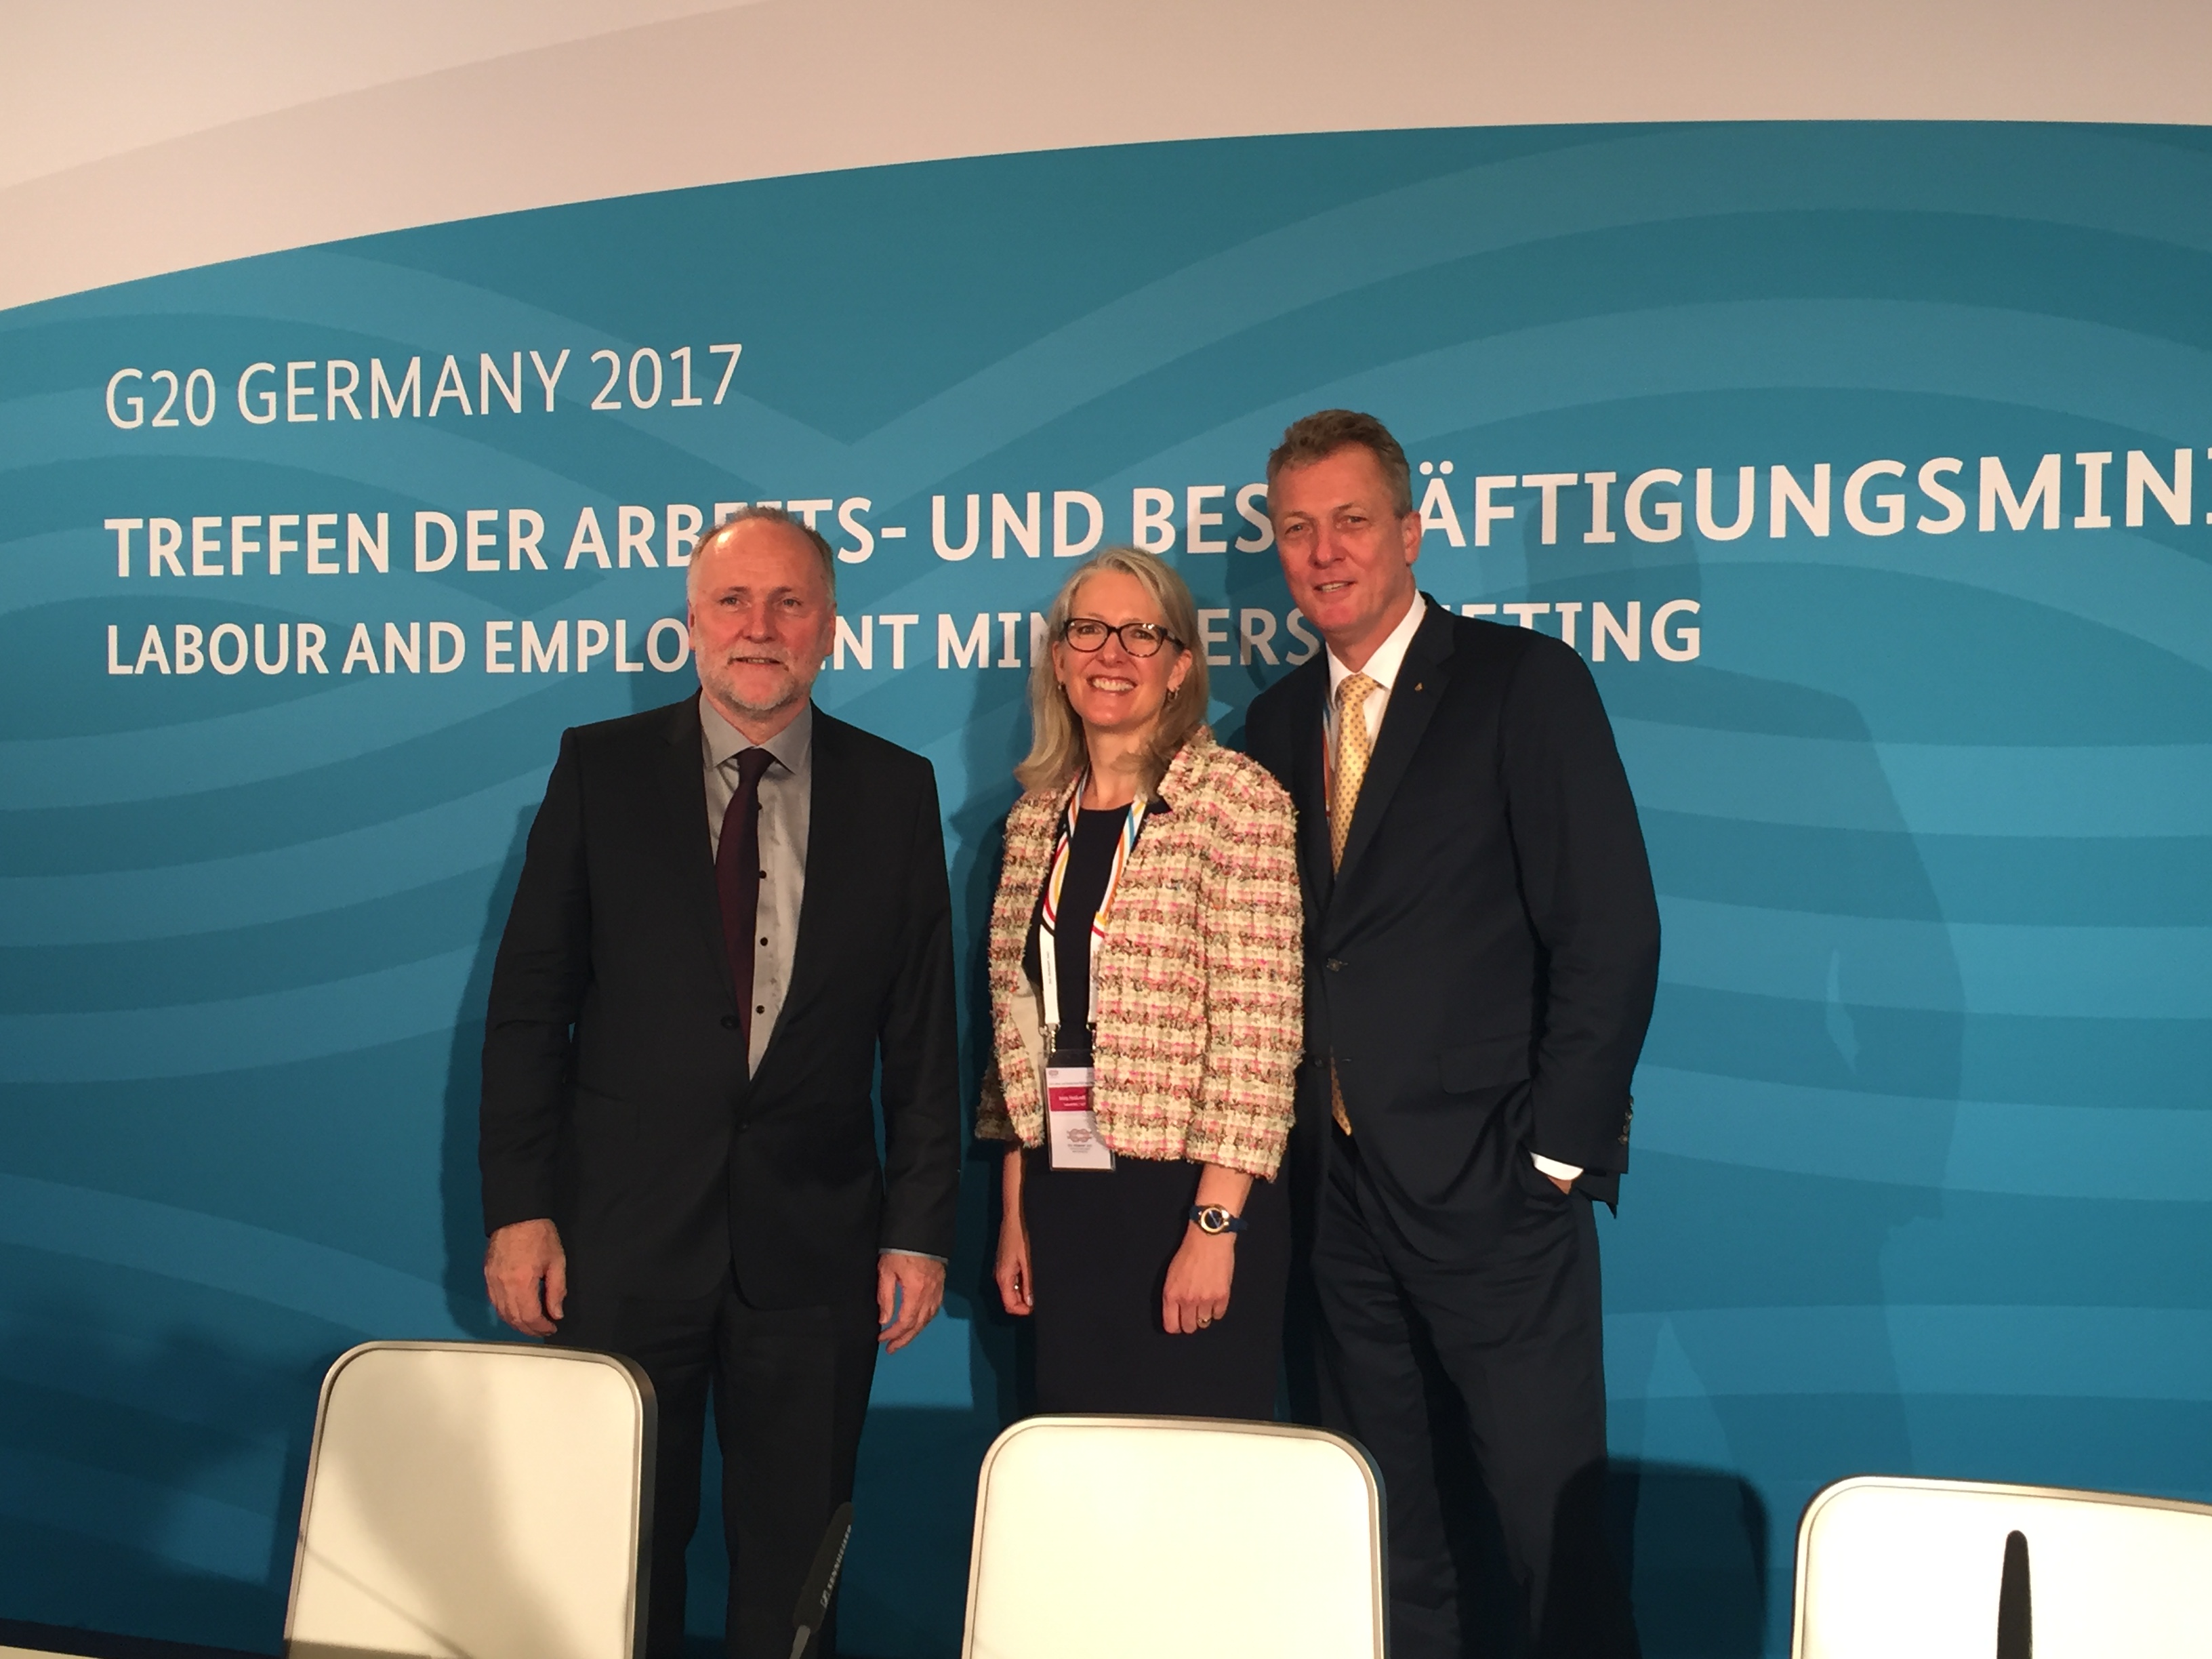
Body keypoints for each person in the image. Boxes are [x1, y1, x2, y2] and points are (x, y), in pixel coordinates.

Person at [478, 506, 960, 1659]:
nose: (761, 627)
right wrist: (519, 1211)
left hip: (814, 1245)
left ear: (829, 627)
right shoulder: (599, 770)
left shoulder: (895, 789)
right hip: (624, 1237)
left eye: (790, 603)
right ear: (692, 623)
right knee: (614, 1550)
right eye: (734, 602)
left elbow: (922, 1031)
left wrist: (919, 1228)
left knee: (794, 1570)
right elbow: (532, 1008)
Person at [1244, 411, 1660, 1658]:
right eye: (1298, 529)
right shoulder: (1275, 721)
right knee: (1386, 1535)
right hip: (1338, 1200)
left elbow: (1610, 930)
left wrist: (1554, 1156)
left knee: (1546, 1535)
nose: (1325, 553)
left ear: (1412, 531)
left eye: (1351, 521)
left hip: (1496, 1188)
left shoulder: (1520, 682)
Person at [977, 546, 1303, 1419]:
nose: (1110, 654)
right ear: (1059, 658)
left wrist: (1214, 1227)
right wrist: (1016, 1208)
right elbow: (1017, 1026)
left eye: (1141, 634)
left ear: (1179, 666)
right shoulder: (1034, 820)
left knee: (1190, 1469)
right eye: (1088, 631)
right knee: (1080, 1467)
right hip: (1063, 1193)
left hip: (1186, 1199)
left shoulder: (1236, 802)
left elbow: (1260, 1034)